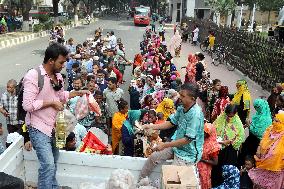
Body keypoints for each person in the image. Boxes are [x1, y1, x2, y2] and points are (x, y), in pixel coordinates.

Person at [22, 43, 88, 189]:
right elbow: (27, 105)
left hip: (57, 127)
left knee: (54, 160)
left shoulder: (58, 76)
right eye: (61, 62)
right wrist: (51, 103)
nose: (64, 65)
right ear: (51, 60)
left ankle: (52, 186)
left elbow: (60, 95)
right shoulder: (33, 76)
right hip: (38, 127)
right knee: (48, 164)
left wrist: (76, 93)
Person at [140, 83, 204, 179]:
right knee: (153, 158)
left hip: (188, 154)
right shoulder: (182, 108)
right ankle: (140, 182)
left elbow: (187, 139)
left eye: (183, 96)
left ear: (193, 99)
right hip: (176, 146)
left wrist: (164, 145)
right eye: (180, 94)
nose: (180, 97)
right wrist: (151, 126)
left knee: (169, 178)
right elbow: (171, 123)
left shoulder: (195, 115)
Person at [211, 104, 245, 187]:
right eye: (228, 115)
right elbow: (213, 128)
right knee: (217, 168)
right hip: (219, 147)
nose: (229, 118)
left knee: (227, 169)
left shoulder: (237, 123)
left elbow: (240, 138)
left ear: (235, 114)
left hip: (230, 151)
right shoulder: (221, 117)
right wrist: (220, 140)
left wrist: (229, 142)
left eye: (231, 116)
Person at [248, 112, 284, 189]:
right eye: (274, 120)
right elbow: (262, 143)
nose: (274, 122)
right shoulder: (269, 130)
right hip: (264, 163)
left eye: (277, 121)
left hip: (277, 168)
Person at [238, 99, 272, 167]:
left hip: (256, 142)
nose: (256, 109)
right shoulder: (258, 114)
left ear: (262, 107)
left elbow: (259, 133)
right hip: (251, 139)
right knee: (242, 154)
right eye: (255, 107)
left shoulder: (266, 119)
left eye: (257, 107)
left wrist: (249, 125)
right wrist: (248, 125)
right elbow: (254, 125)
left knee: (250, 159)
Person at [197, 123, 220, 189]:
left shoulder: (213, 146)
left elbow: (215, 162)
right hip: (196, 165)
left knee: (203, 183)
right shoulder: (201, 140)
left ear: (210, 133)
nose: (203, 134)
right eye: (203, 132)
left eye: (205, 133)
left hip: (205, 169)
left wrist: (202, 160)